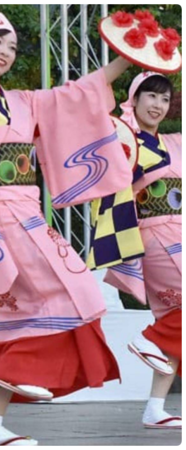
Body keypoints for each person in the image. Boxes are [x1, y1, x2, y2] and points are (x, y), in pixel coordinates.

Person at [0, 12, 137, 445]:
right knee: (71, 290)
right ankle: (19, 374)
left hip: (27, 212)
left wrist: (125, 59)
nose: (5, 51)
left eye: (12, 46)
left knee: (25, 312)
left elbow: (76, 96)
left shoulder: (20, 100)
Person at [103, 72, 182, 430]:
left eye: (164, 99)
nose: (157, 105)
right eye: (150, 96)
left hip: (176, 234)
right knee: (170, 328)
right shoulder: (123, 140)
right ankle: (144, 339)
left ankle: (155, 408)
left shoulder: (174, 141)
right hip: (155, 236)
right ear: (133, 99)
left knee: (175, 326)